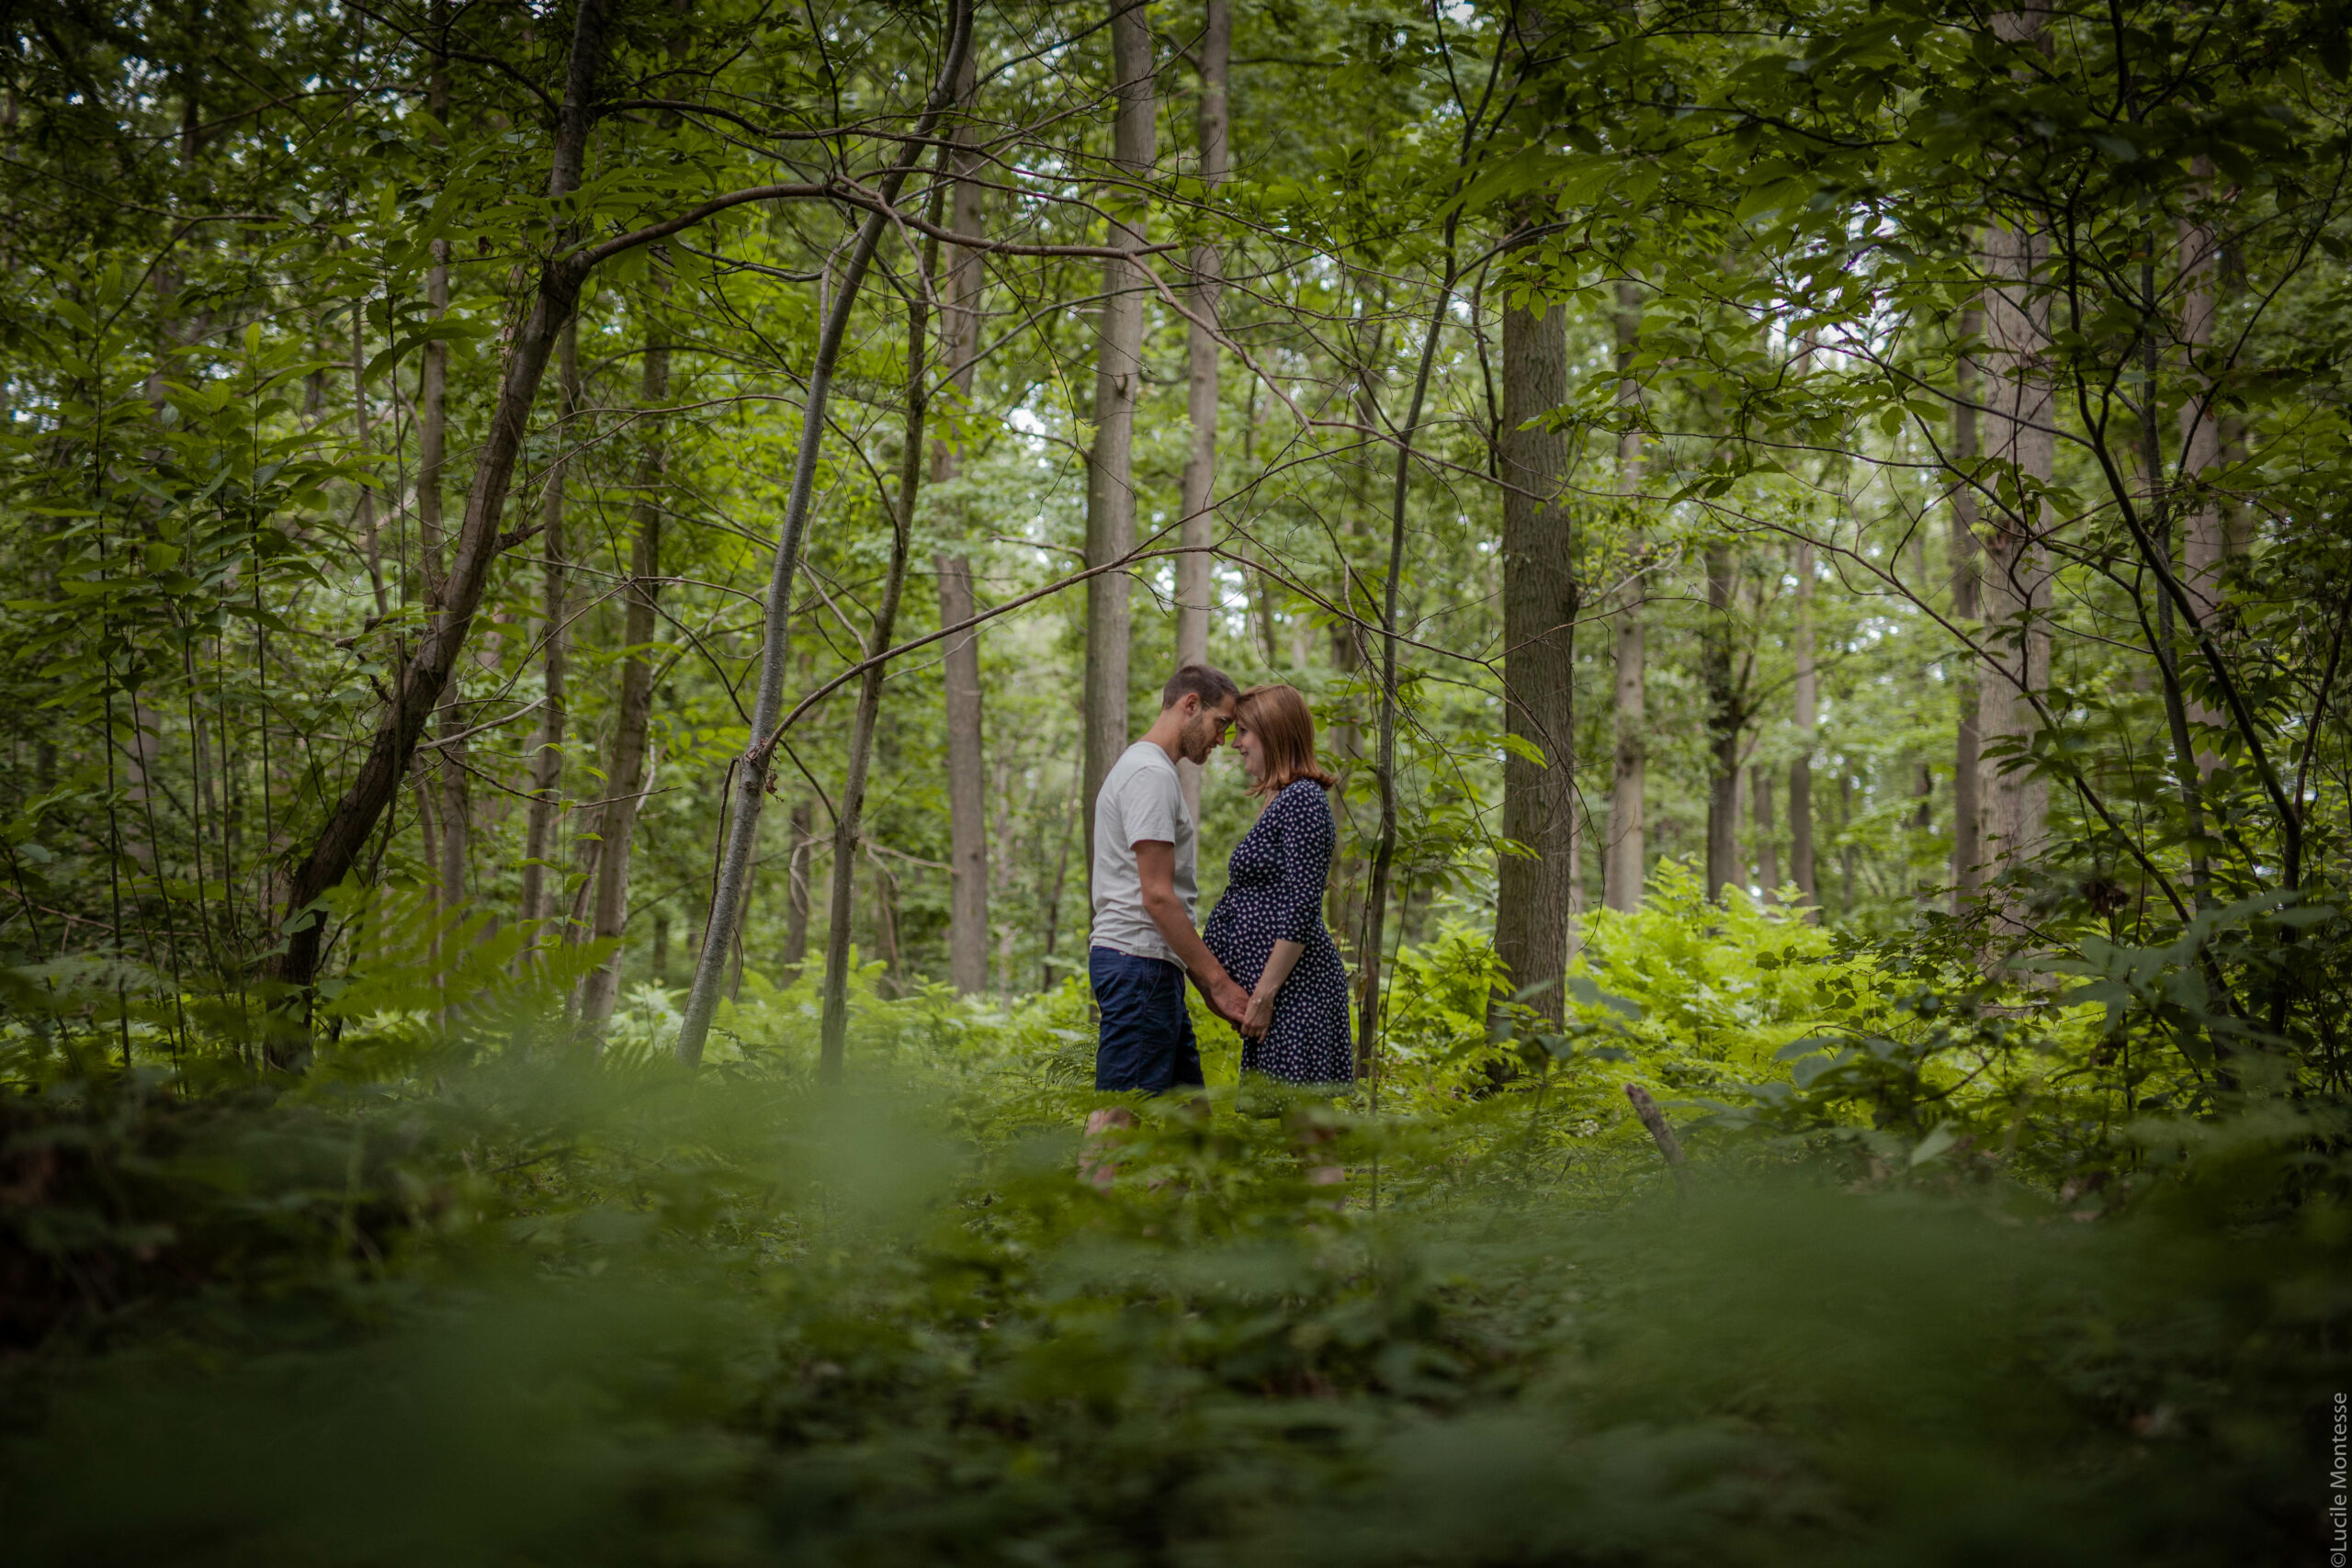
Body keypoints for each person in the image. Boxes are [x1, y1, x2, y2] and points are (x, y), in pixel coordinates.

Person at [1087, 664, 1250, 1110]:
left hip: (1148, 965)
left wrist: (1203, 985)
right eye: (1221, 723)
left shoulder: (1147, 769)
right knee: (1120, 1116)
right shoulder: (1150, 774)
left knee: (1189, 1121)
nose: (1222, 740)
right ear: (1191, 705)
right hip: (1138, 965)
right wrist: (1218, 982)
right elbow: (1157, 897)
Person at [1202, 682, 1354, 1089]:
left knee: (1305, 1123)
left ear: (1274, 732)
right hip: (1281, 995)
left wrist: (1263, 996)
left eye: (1244, 732)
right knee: (1291, 1122)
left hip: (1298, 992)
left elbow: (1303, 907)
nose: (1236, 744)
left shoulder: (1303, 798)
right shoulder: (1280, 798)